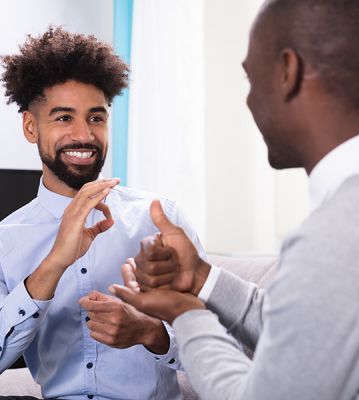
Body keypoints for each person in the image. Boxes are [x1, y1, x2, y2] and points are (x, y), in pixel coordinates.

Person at [110, 0, 359, 399]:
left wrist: (184, 311)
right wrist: (201, 278)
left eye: (251, 78)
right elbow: (308, 335)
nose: (249, 101)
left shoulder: (337, 238)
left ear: (287, 71)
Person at [0, 27, 205, 400]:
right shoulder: (6, 237)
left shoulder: (161, 218)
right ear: (31, 127)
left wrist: (151, 332)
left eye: (96, 118)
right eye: (63, 118)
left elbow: (219, 349)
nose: (84, 134)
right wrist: (54, 263)